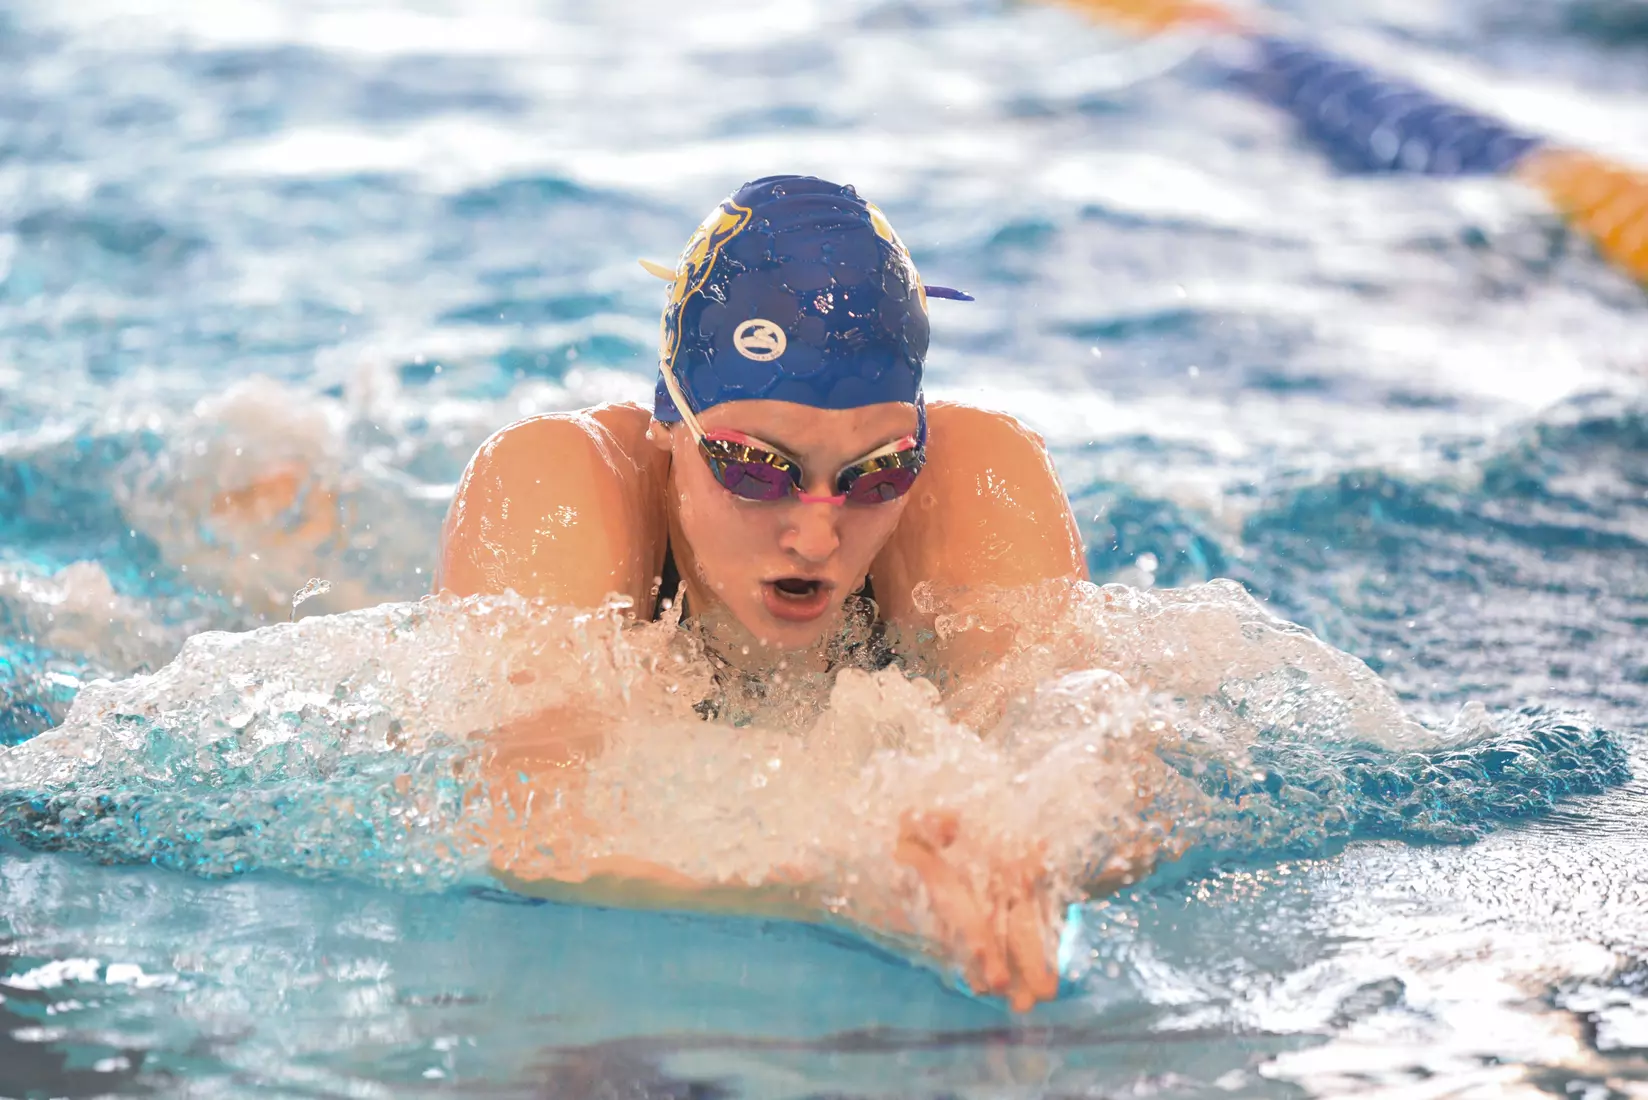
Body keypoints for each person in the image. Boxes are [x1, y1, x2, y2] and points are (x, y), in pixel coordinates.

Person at [438, 175, 1093, 1011]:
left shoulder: (980, 481)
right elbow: (524, 818)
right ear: (669, 422)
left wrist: (1023, 851)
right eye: (754, 469)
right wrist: (847, 872)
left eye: (876, 474)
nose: (816, 537)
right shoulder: (558, 489)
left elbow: (1085, 746)